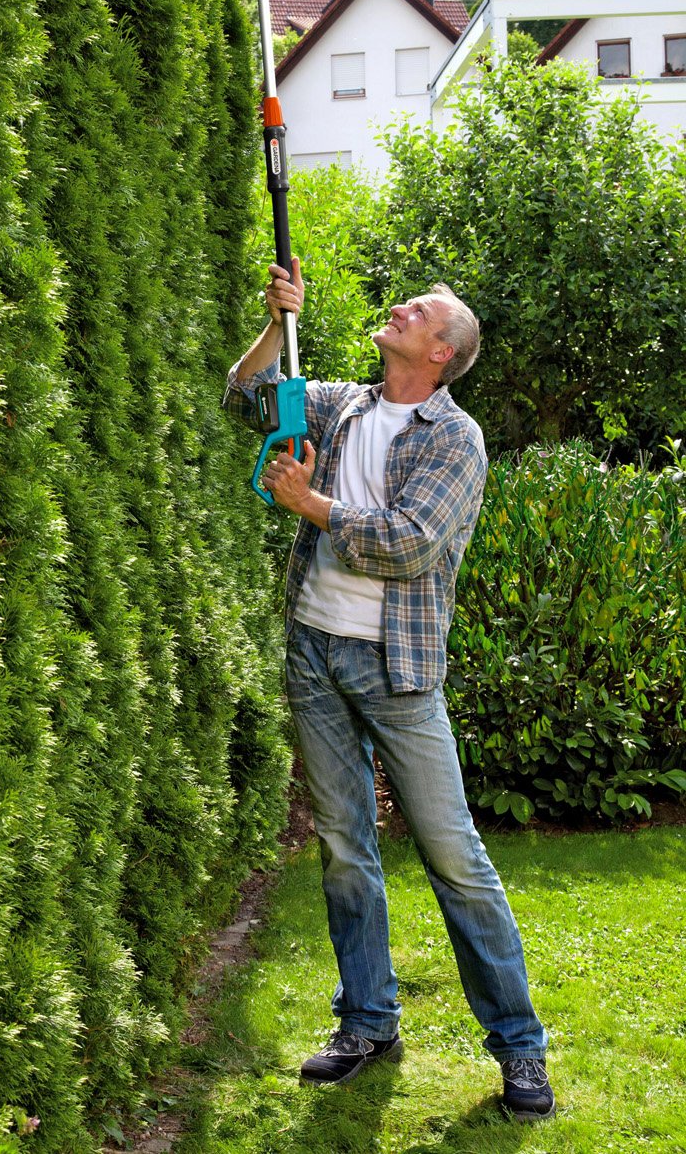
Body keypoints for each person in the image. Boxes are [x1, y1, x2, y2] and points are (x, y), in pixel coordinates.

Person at [222, 257, 554, 1122]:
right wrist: (276, 320)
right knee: (343, 847)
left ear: (442, 352)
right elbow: (244, 396)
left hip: (398, 670)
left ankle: (519, 1047)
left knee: (454, 856)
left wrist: (315, 507)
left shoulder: (454, 438)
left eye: (420, 311)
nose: (401, 307)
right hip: (316, 653)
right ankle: (368, 1023)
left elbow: (410, 543)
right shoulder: (342, 404)